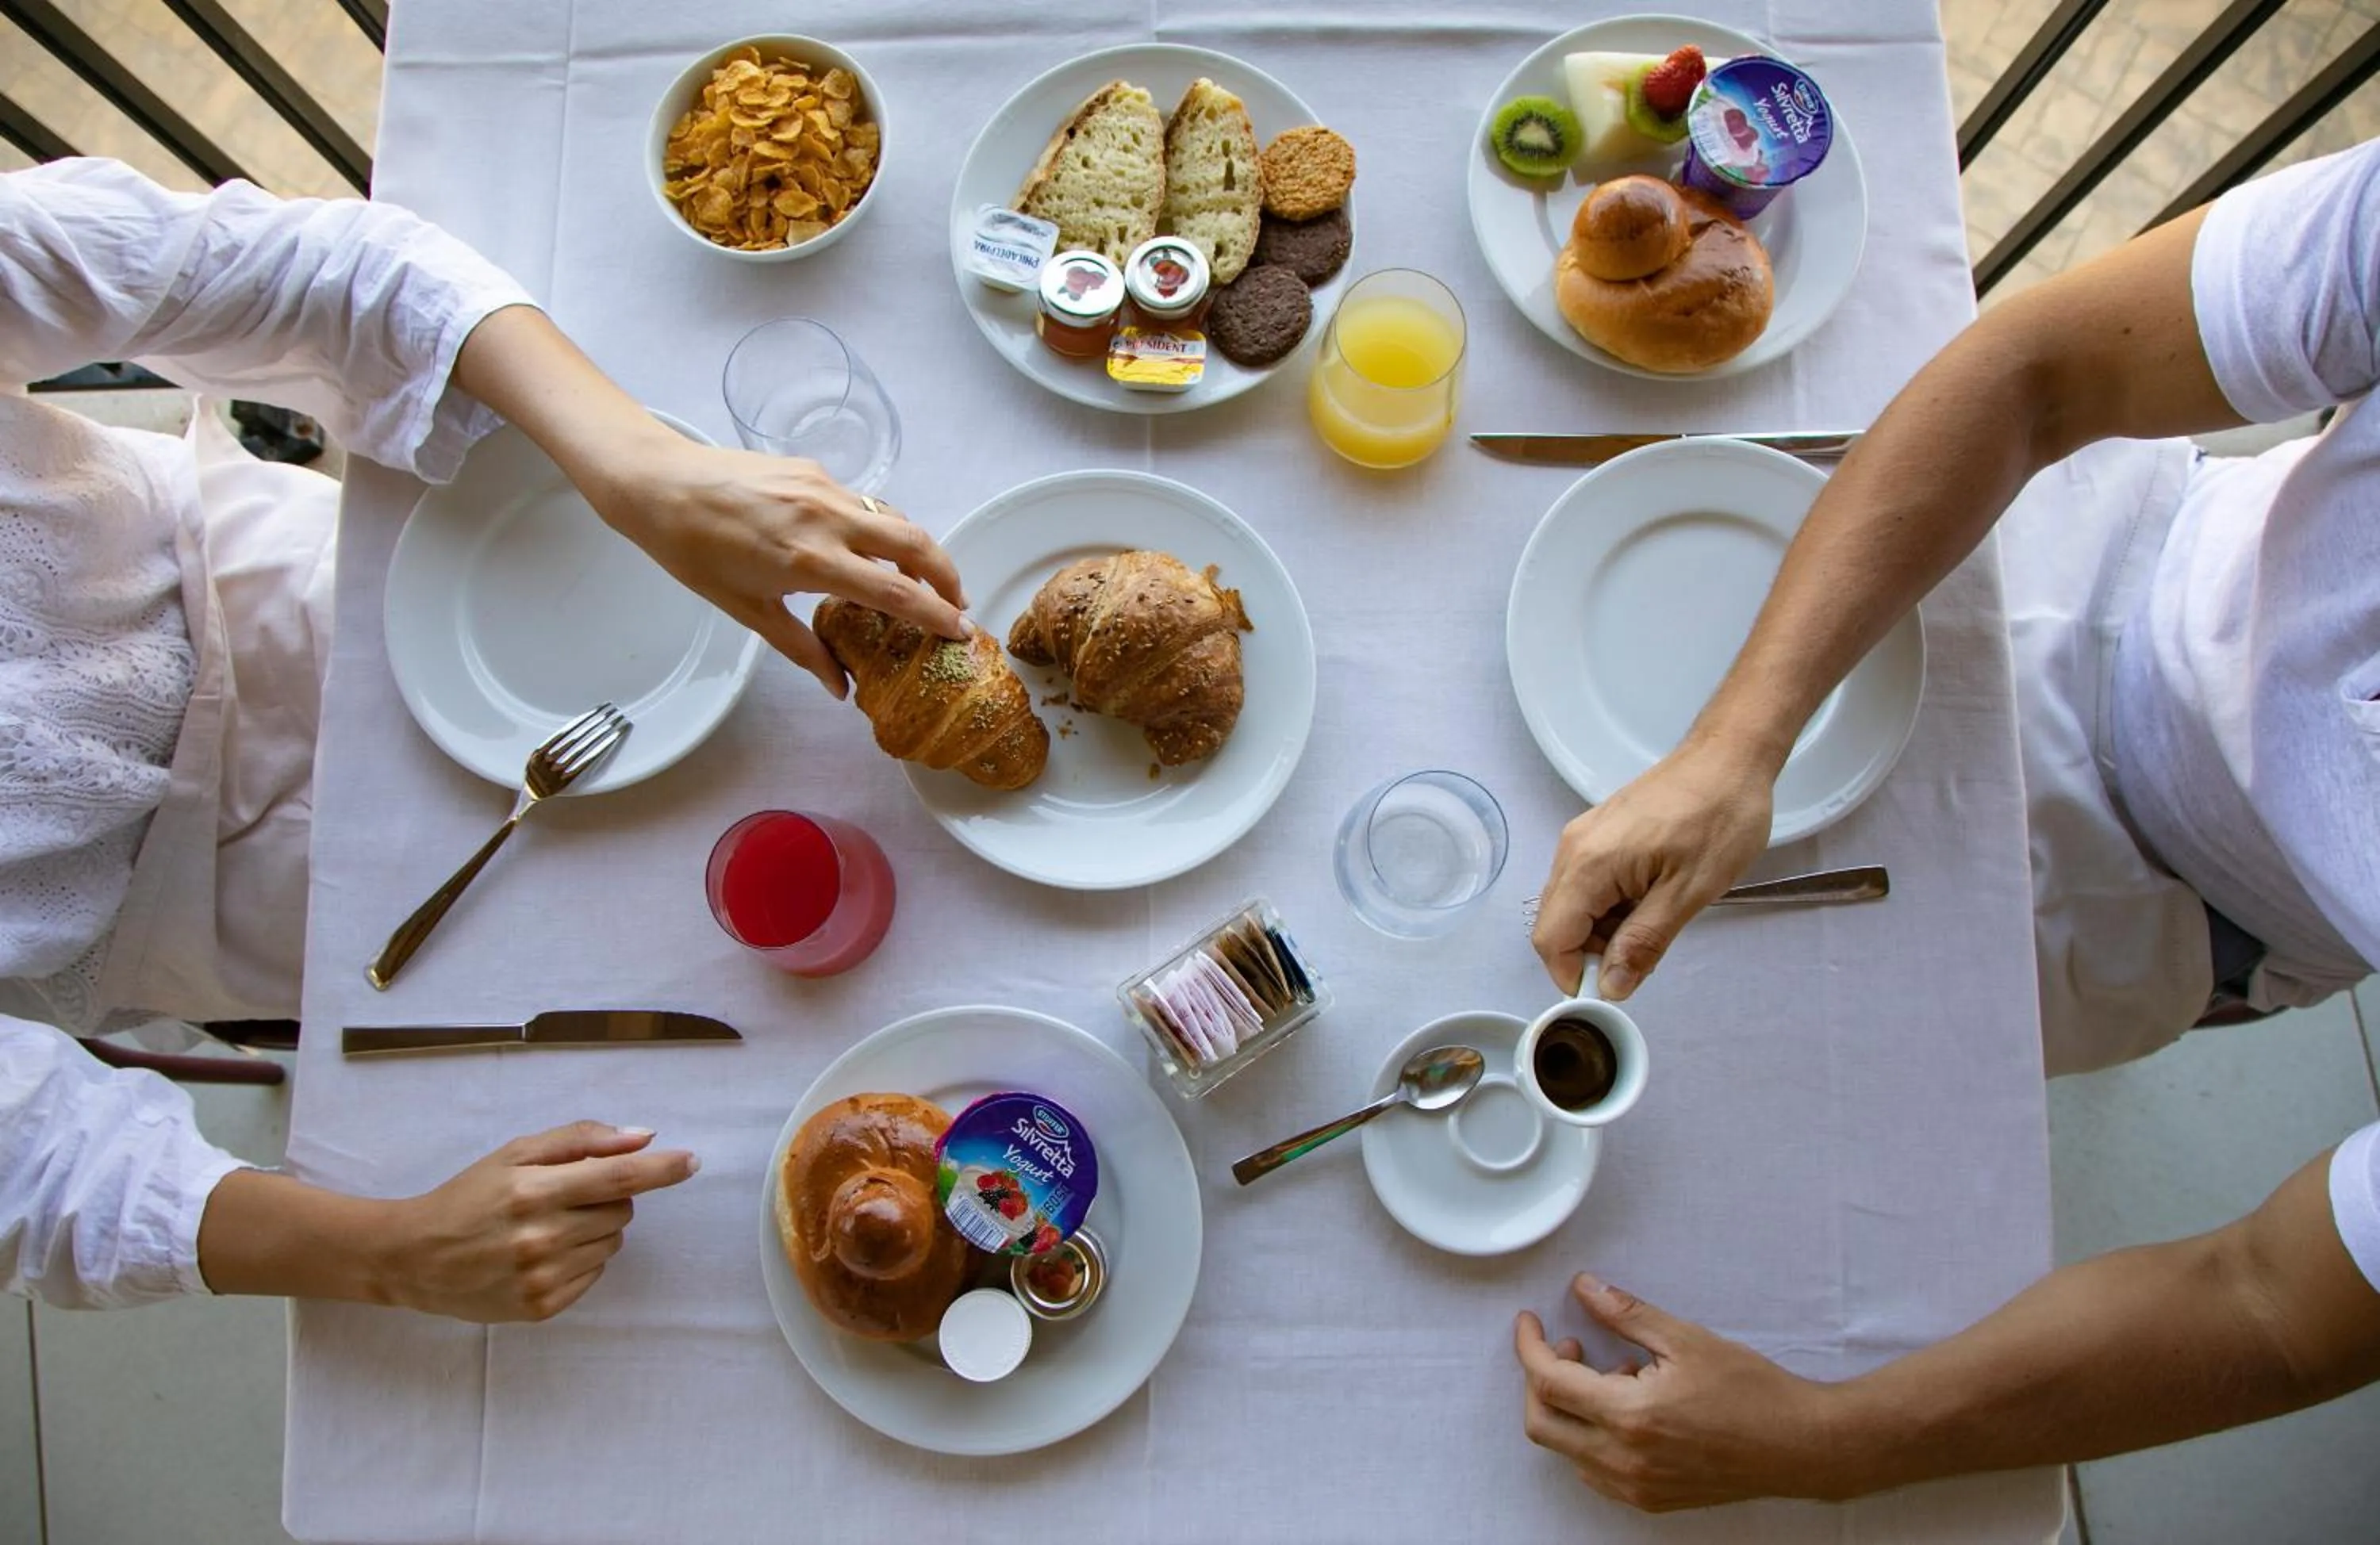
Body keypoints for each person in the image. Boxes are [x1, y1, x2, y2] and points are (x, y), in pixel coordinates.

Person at [1514, 139, 2380, 1507]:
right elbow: (2044, 368)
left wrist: (1826, 1442)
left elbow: (2275, 1299)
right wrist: (1737, 749)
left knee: (1785, 1151)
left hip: (2160, 909)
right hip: (2041, 543)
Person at [1, 157, 963, 1315]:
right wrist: (383, 1253)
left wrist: (639, 467)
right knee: (611, 985)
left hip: (323, 573)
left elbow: (314, 271)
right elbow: (41, 1173)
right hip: (238, 904)